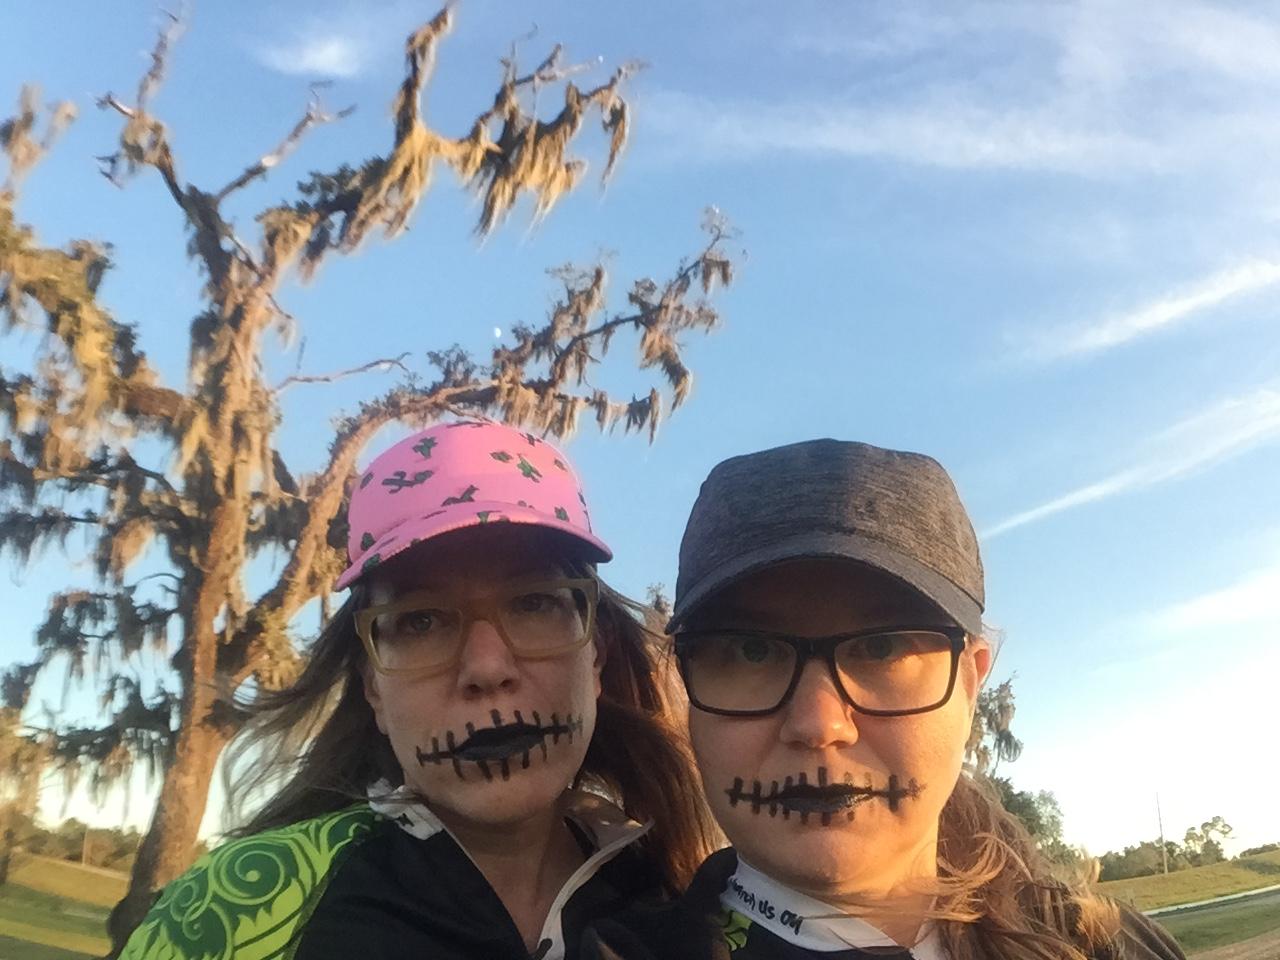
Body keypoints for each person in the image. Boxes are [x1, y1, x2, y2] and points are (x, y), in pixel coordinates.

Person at [119, 420, 716, 960]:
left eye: (534, 603)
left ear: (596, 655)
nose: (486, 667)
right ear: (372, 687)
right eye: (421, 621)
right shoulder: (241, 909)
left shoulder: (685, 914)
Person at [586, 439, 1186, 960]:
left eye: (882, 648)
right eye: (751, 652)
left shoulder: (1108, 944)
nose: (818, 724)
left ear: (971, 683)